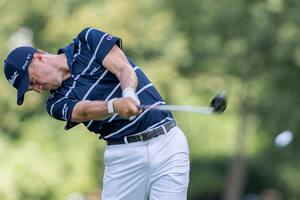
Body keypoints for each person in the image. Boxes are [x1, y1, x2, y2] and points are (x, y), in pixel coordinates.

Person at [3, 27, 190, 200]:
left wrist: (129, 94)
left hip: (168, 143)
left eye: (33, 81)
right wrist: (114, 106)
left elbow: (123, 68)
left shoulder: (87, 41)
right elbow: (83, 111)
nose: (37, 89)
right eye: (31, 89)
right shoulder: (55, 104)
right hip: (124, 156)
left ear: (39, 58)